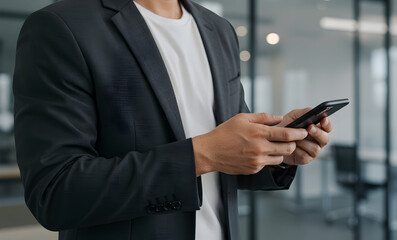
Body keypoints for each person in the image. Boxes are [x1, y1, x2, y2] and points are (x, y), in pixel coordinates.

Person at [13, 0, 332, 239]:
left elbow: (230, 158)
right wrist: (202, 154)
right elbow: (55, 193)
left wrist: (278, 149)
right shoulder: (63, 26)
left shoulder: (219, 30)